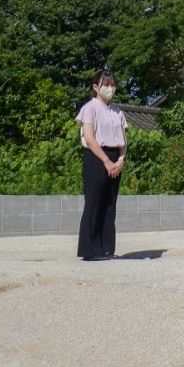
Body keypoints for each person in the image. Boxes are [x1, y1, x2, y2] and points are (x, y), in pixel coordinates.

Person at [75, 69, 128, 261]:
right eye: (106, 84)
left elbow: (124, 141)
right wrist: (106, 161)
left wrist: (120, 160)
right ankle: (90, 250)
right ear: (96, 87)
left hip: (115, 158)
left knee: (109, 205)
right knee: (94, 203)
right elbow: (89, 138)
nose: (110, 88)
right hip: (96, 157)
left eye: (112, 84)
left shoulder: (118, 111)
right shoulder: (90, 107)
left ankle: (107, 249)